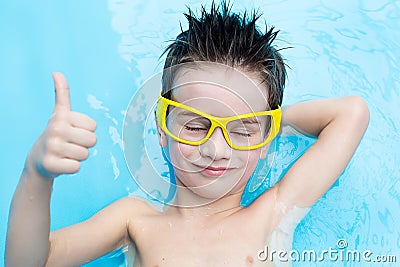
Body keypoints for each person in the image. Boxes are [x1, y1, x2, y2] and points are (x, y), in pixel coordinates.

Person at [5, 2, 369, 266]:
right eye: (195, 126)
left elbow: (351, 114)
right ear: (163, 128)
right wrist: (36, 174)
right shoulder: (135, 221)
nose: (216, 149)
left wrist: (266, 124)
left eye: (241, 132)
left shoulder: (273, 213)